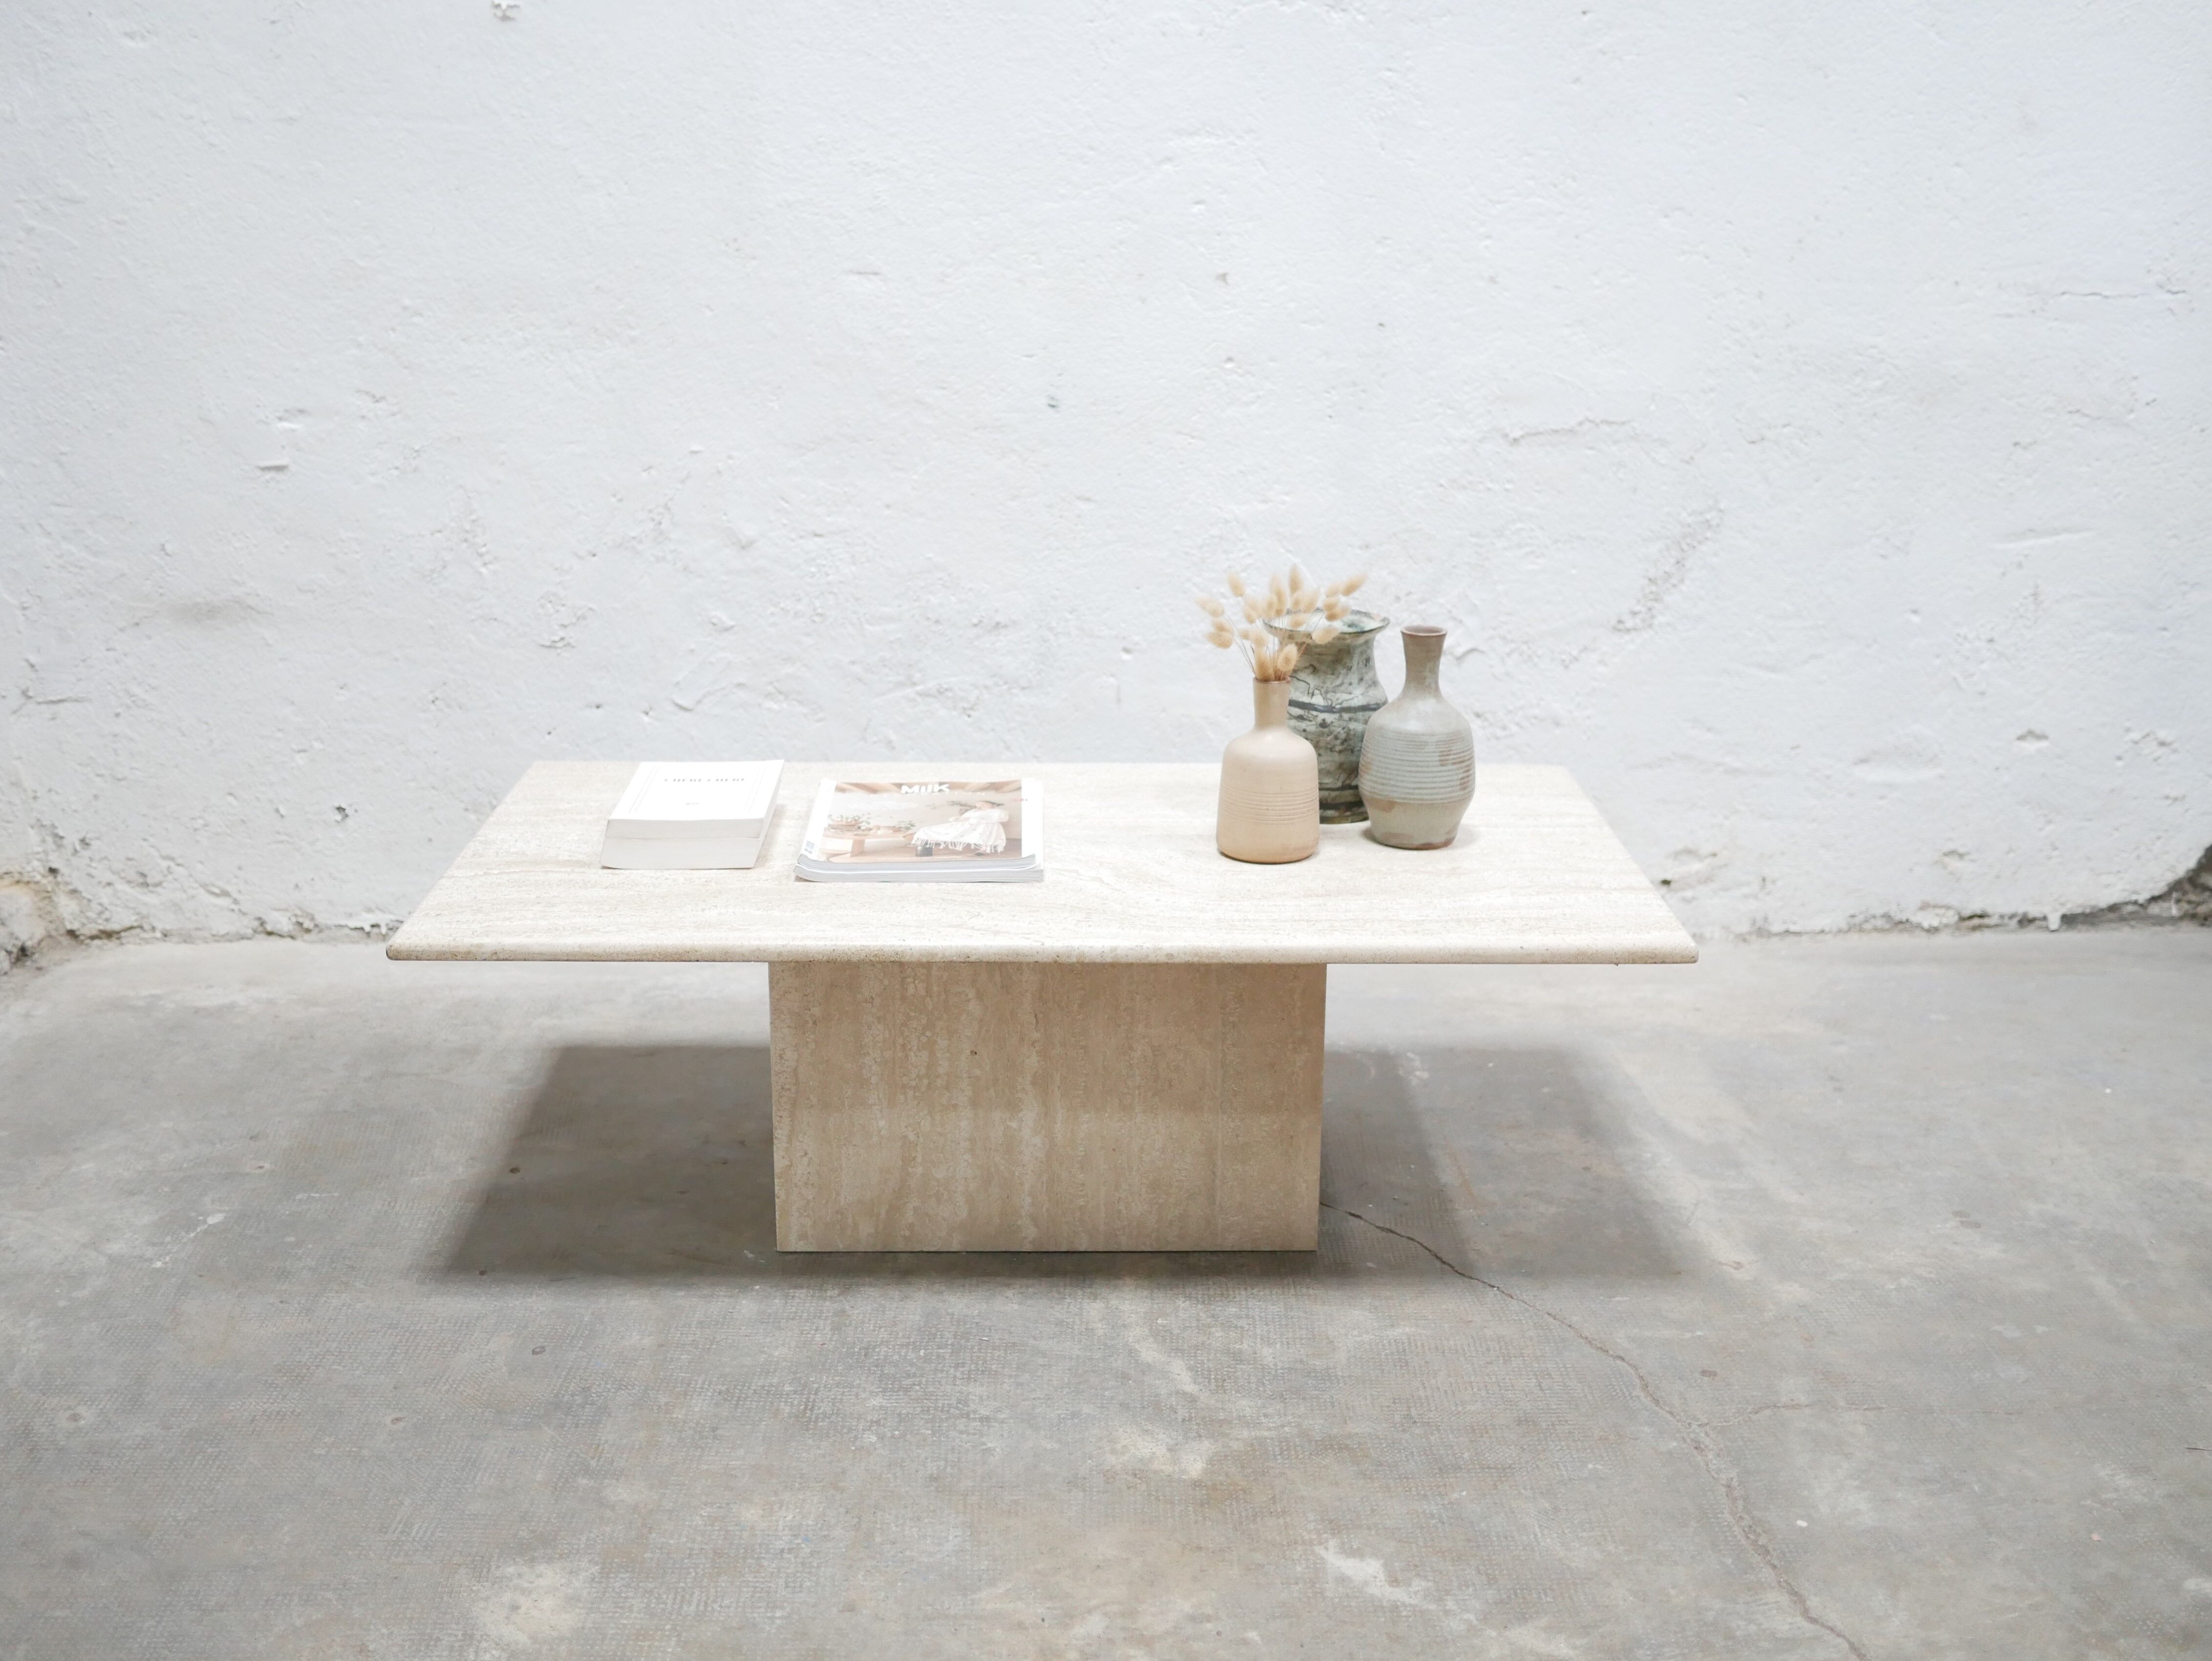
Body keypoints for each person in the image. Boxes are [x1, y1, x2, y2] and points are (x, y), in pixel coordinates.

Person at [910, 799, 1009, 856]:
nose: (981, 806)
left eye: (984, 804)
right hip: (969, 825)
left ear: (992, 804)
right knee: (928, 829)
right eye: (980, 805)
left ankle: (984, 850)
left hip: (985, 826)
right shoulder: (975, 811)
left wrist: (984, 821)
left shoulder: (998, 812)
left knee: (987, 832)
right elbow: (963, 819)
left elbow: (1003, 820)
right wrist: (957, 819)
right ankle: (926, 842)